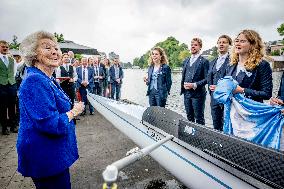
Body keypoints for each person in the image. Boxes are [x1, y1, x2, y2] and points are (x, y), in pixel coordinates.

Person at [17, 31, 84, 189]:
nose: (55, 51)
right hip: (45, 156)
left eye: (56, 48)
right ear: (34, 54)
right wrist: (74, 112)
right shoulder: (35, 81)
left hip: (53, 154)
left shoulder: (49, 78)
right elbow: (51, 124)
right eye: (47, 48)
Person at [226, 29, 272, 102]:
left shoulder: (262, 65)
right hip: (231, 109)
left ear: (252, 45)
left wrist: (242, 90)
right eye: (237, 41)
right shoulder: (231, 64)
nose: (238, 43)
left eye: (242, 41)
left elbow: (267, 94)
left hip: (251, 110)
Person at [180, 38, 209, 125]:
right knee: (189, 117)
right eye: (192, 44)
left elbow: (207, 78)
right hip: (186, 94)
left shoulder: (204, 61)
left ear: (200, 47)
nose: (193, 46)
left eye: (195, 45)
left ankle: (201, 137)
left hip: (198, 95)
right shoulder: (186, 61)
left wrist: (195, 84)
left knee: (199, 118)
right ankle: (191, 136)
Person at [207, 35, 232, 131]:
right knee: (216, 124)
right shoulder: (212, 62)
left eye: (224, 42)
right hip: (214, 98)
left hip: (227, 99)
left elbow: (233, 79)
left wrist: (220, 87)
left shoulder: (232, 61)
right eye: (219, 42)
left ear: (229, 45)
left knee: (226, 125)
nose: (221, 44)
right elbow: (209, 78)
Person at [0, 40, 18, 135]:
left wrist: (11, 79)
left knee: (12, 106)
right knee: (3, 107)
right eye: (3, 46)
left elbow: (14, 72)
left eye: (6, 47)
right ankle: (4, 128)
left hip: (11, 85)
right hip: (1, 85)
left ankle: (13, 126)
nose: (5, 48)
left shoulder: (12, 59)